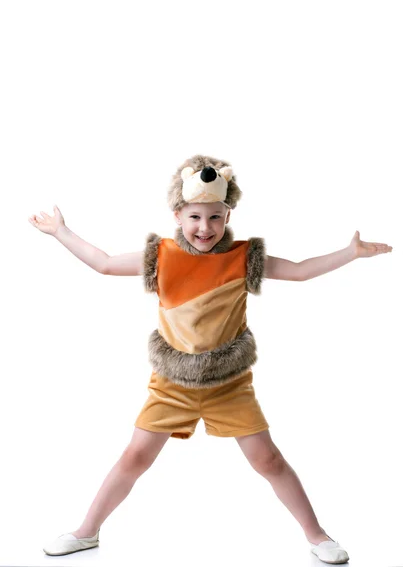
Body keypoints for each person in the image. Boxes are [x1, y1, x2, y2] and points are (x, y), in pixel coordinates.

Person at [31, 155, 392, 562]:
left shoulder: (242, 257)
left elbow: (300, 271)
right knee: (134, 457)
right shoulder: (161, 256)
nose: (206, 228)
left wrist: (350, 253)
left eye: (215, 218)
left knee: (269, 460)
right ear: (178, 214)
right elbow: (105, 263)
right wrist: (61, 232)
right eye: (196, 217)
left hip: (229, 384)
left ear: (228, 214)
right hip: (172, 385)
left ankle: (318, 535)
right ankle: (85, 532)